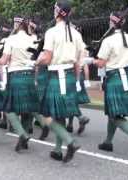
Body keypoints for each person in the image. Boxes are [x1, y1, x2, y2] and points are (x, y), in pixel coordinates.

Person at [85, 11, 128, 157]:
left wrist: (90, 60)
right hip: (125, 78)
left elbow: (101, 64)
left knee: (114, 113)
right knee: (113, 112)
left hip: (113, 78)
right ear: (123, 23)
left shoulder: (108, 41)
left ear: (112, 23)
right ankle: (108, 142)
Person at [35, 0, 82, 163]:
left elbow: (47, 59)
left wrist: (35, 62)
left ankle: (70, 142)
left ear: (58, 12)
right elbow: (78, 63)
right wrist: (76, 81)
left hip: (56, 76)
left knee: (46, 115)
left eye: (54, 9)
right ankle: (57, 150)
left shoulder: (51, 32)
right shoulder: (76, 34)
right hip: (69, 77)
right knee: (60, 116)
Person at [0, 15, 40, 152]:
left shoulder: (11, 39)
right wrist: (35, 78)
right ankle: (23, 140)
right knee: (27, 110)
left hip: (16, 75)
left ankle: (23, 134)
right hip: (30, 75)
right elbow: (36, 62)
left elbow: (4, 60)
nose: (13, 25)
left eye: (14, 23)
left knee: (8, 109)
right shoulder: (34, 39)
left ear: (18, 25)